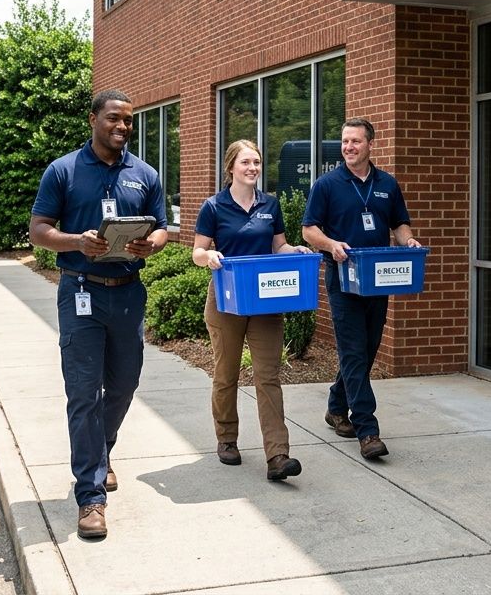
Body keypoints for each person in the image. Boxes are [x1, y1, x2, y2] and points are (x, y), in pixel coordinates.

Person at [30, 90, 169, 540]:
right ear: (93, 120)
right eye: (114, 119)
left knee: (125, 384)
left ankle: (101, 450)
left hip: (128, 294)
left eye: (128, 121)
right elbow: (39, 231)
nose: (122, 127)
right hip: (81, 294)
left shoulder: (144, 174)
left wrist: (153, 243)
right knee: (84, 392)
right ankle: (90, 496)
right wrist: (75, 241)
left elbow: (163, 226)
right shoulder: (63, 171)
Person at [302, 117, 422, 461]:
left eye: (355, 141)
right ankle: (367, 429)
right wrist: (330, 244)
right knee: (354, 351)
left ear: (371, 144)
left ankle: (336, 407)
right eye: (344, 142)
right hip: (343, 280)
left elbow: (398, 223)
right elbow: (309, 230)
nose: (348, 147)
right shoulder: (327, 184)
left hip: (377, 280)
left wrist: (408, 240)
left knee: (367, 350)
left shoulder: (387, 184)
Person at [192, 140, 313, 481]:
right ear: (231, 167)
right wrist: (209, 257)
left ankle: (278, 455)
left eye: (257, 162)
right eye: (246, 162)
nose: (253, 168)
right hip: (226, 301)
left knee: (268, 376)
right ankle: (227, 439)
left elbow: (278, 245)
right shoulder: (214, 207)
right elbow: (197, 251)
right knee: (226, 374)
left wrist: (295, 251)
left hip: (264, 301)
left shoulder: (270, 205)